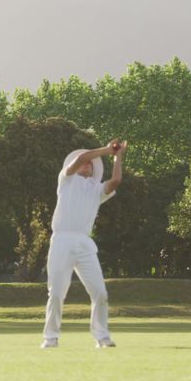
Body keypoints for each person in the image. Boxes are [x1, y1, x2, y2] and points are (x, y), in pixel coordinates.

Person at [41, 139, 126, 349]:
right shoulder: (66, 179)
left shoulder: (96, 190)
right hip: (61, 239)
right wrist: (106, 150)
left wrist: (118, 156)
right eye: (86, 162)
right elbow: (81, 157)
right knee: (57, 292)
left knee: (100, 292)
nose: (88, 164)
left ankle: (102, 337)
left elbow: (115, 181)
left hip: (85, 243)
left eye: (91, 164)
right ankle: (50, 337)